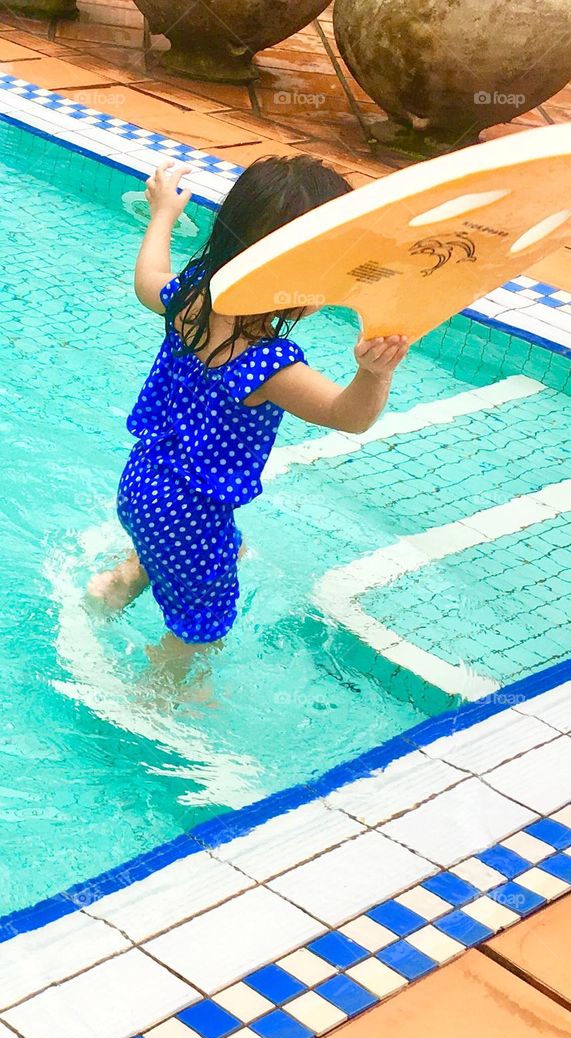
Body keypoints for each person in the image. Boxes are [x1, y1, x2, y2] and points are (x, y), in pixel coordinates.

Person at [89, 157, 409, 681]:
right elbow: (349, 416)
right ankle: (156, 694)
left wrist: (163, 214)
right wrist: (374, 374)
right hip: (189, 511)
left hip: (144, 481)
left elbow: (147, 280)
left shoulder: (192, 298)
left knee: (220, 549)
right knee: (202, 631)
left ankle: (120, 583)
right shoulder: (266, 364)